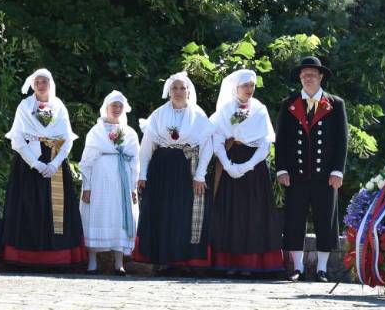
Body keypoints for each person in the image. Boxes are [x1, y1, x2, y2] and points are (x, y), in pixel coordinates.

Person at [2, 69, 85, 267]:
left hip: (54, 160)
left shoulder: (59, 106)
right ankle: (24, 257)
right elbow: (18, 138)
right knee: (27, 206)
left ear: (50, 83)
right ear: (32, 85)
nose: (40, 85)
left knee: (55, 209)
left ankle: (57, 258)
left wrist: (55, 163)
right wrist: (35, 163)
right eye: (37, 81)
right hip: (28, 162)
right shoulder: (25, 106)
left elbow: (67, 138)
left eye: (44, 81)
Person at [275, 57, 348, 283]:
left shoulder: (335, 104)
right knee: (294, 220)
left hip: (325, 175)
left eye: (312, 75)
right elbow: (281, 139)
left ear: (321, 77)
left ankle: (322, 269)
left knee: (326, 220)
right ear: (300, 77)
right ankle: (297, 267)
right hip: (295, 174)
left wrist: (338, 170)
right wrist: (281, 169)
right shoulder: (289, 103)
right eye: (304, 75)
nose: (308, 78)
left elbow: (342, 140)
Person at [133, 72, 215, 271]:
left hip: (186, 168)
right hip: (161, 168)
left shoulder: (198, 115)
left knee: (183, 212)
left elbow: (207, 147)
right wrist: (142, 174)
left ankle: (184, 261)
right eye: (174, 88)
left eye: (182, 88)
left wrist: (200, 175)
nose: (178, 92)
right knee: (161, 212)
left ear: (188, 91)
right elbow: (146, 147)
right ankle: (162, 259)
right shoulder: (159, 114)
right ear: (169, 91)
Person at [209, 69, 283, 276]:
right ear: (236, 87)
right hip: (230, 161)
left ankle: (251, 264)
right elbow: (217, 139)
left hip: (254, 167)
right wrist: (228, 166)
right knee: (231, 213)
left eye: (252, 85)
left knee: (253, 214)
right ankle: (229, 262)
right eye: (245, 85)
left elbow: (265, 142)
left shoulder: (259, 109)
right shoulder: (225, 110)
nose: (250, 89)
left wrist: (247, 165)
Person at [79, 90, 140, 276]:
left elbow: (135, 162)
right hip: (99, 179)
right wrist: (87, 186)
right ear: (106, 107)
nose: (117, 108)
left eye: (120, 106)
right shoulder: (96, 131)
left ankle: (119, 263)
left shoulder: (129, 132)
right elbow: (87, 161)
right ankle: (92, 261)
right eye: (114, 105)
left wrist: (133, 187)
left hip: (121, 181)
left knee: (119, 216)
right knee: (96, 214)